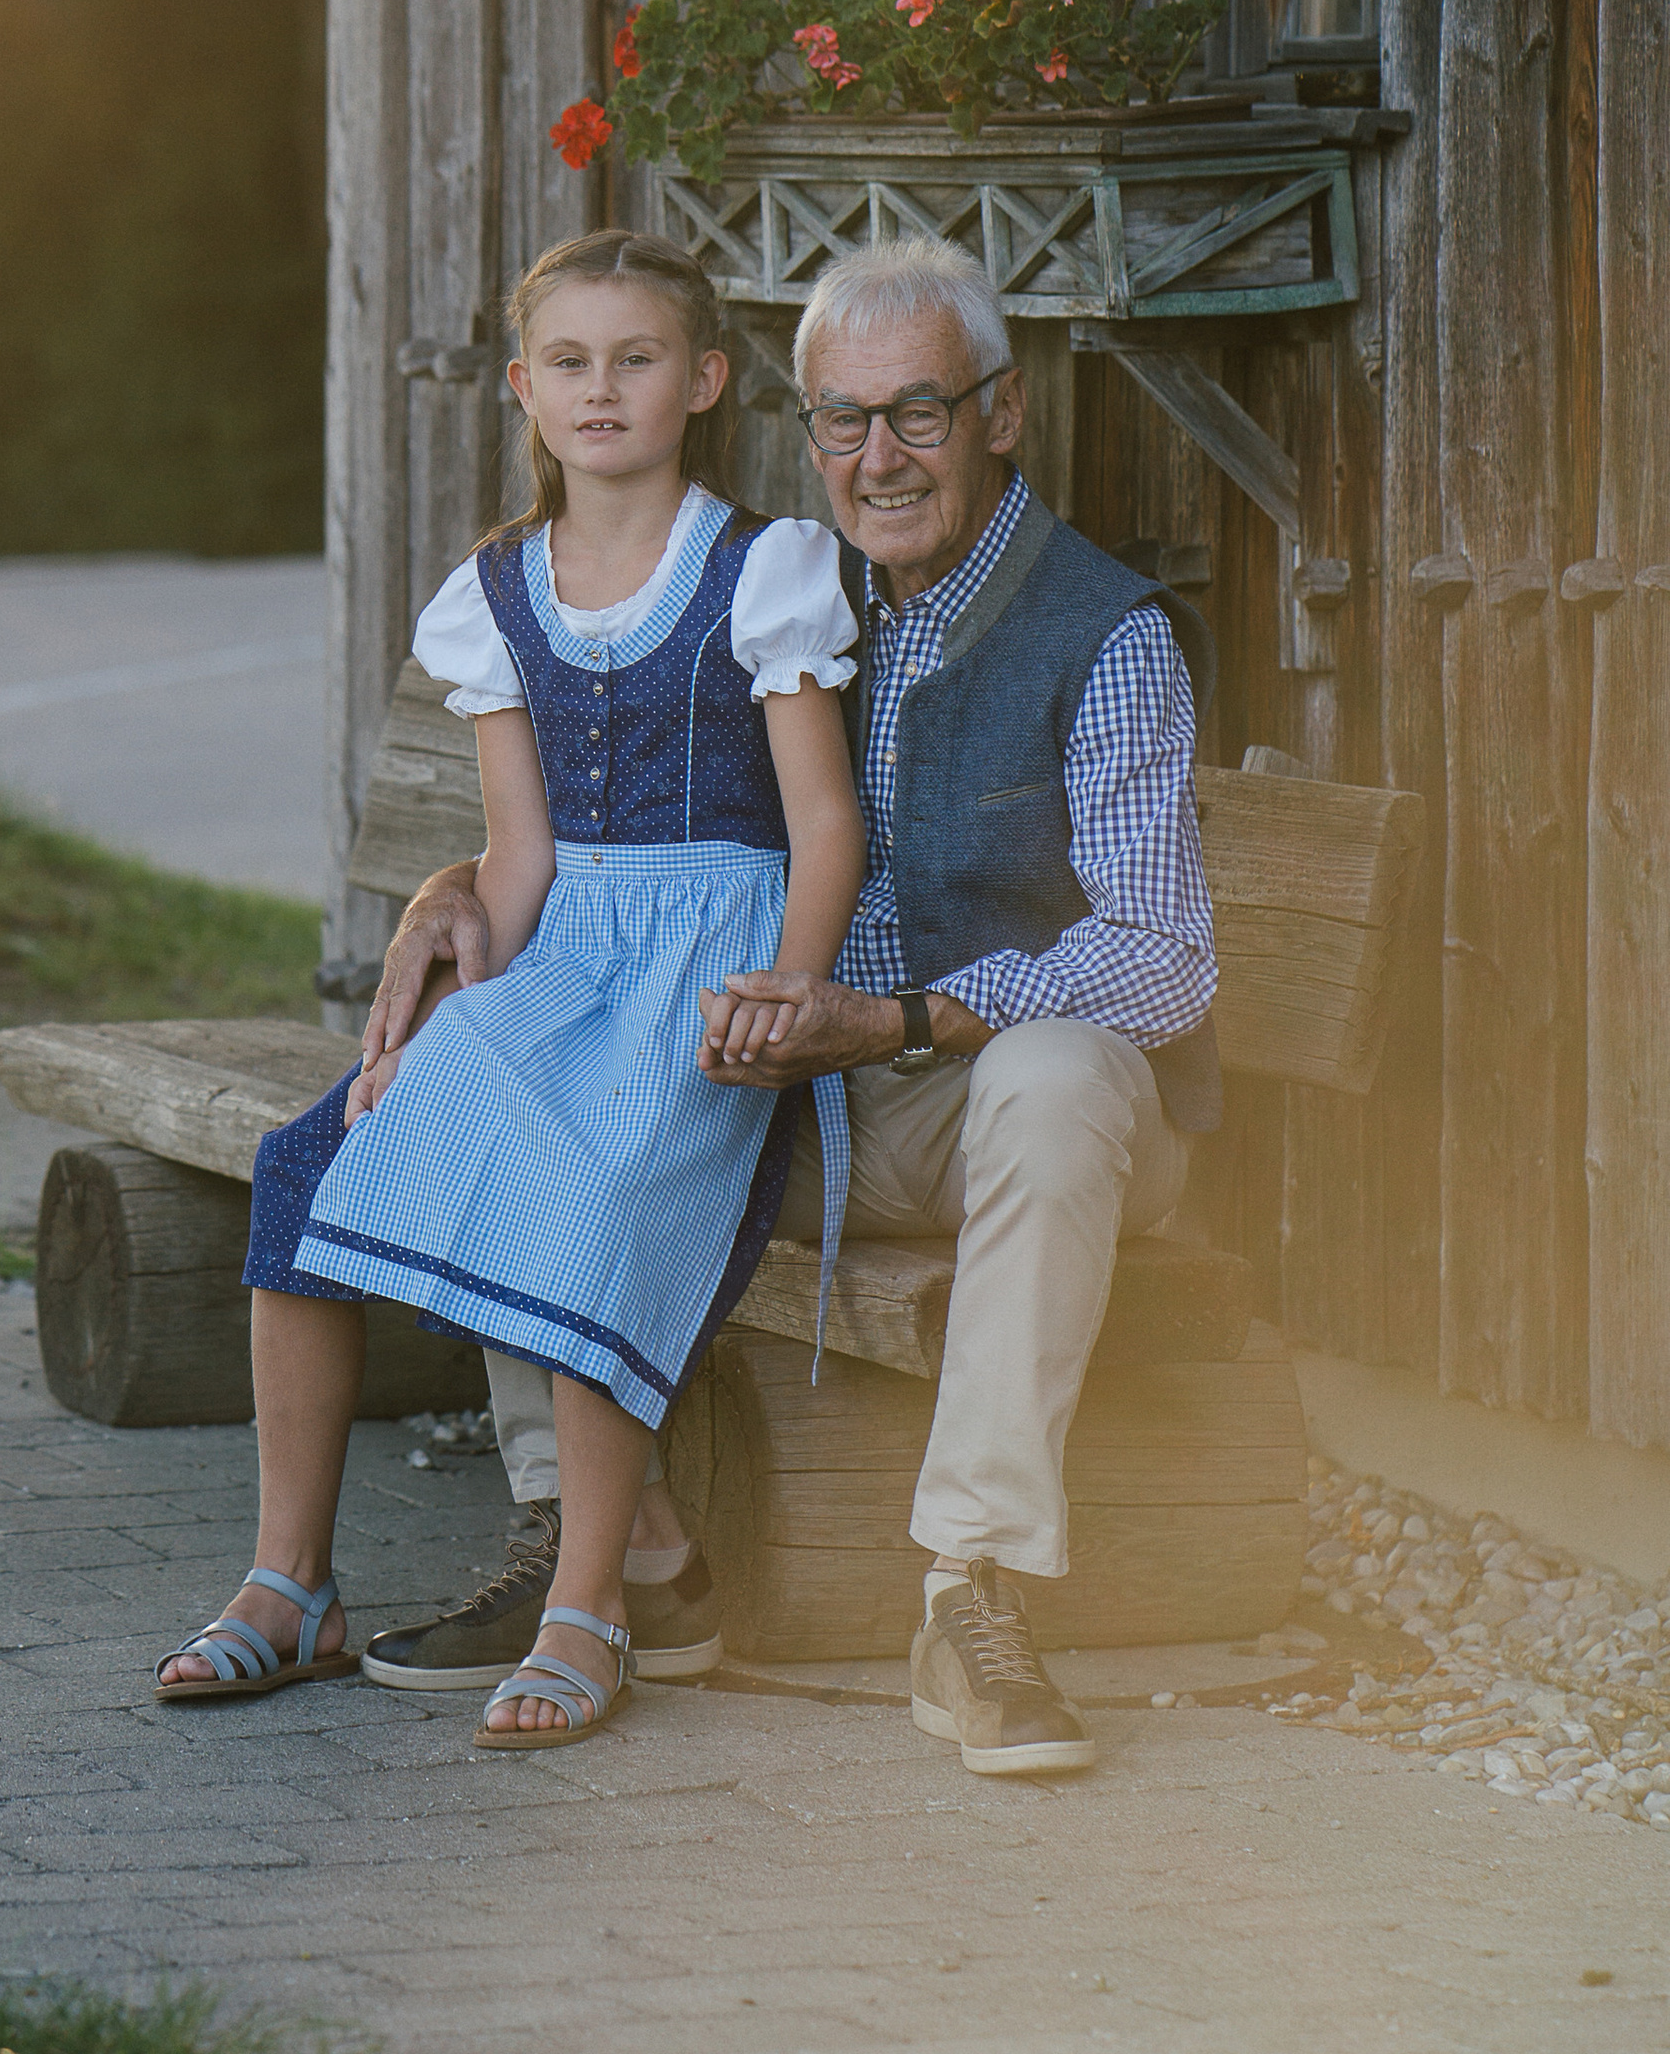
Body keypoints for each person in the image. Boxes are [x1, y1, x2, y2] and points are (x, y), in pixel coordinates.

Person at [363, 233, 1219, 1779]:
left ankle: (975, 1592)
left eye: (920, 414)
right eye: (842, 418)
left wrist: (903, 1022)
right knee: (513, 1050)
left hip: (982, 1120)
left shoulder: (1105, 633)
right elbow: (607, 830)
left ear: (1001, 416)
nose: (877, 458)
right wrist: (454, 892)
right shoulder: (774, 593)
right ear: (802, 424)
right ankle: (614, 1551)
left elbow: (1165, 957)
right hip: (786, 1106)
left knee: (1063, 1073)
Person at [153, 229, 866, 1749]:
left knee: (597, 1195)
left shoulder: (765, 569)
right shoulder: (495, 592)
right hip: (569, 955)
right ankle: (293, 1581)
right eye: (567, 362)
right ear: (524, 392)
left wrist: (792, 992)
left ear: (704, 380)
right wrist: (448, 1001)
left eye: (637, 358)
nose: (600, 389)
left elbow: (824, 826)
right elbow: (520, 853)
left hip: (714, 968)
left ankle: (591, 1603)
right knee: (313, 1156)